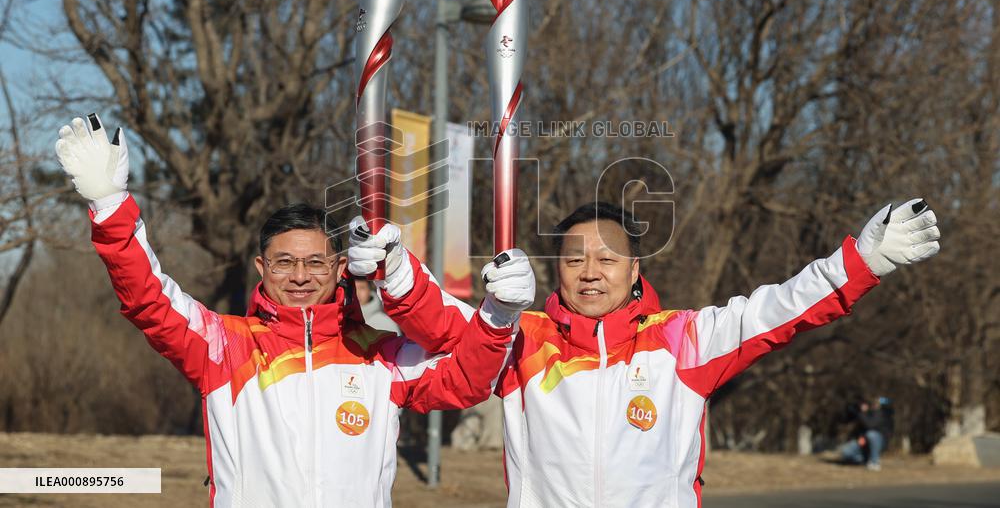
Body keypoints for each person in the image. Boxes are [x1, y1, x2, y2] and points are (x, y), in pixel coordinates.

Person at [54, 114, 532, 507]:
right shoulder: (225, 346)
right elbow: (149, 300)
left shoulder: (379, 356)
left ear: (339, 268)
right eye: (284, 263)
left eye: (315, 263)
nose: (300, 276)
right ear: (262, 268)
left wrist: (498, 315)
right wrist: (110, 205)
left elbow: (466, 380)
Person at [349, 199, 940, 507]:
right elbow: (447, 325)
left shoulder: (683, 340)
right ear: (557, 268)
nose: (590, 272)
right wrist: (396, 271)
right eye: (575, 259)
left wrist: (860, 262)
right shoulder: (522, 338)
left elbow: (779, 308)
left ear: (634, 271)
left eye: (607, 260)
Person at [840, 396, 895, 470]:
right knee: (846, 452)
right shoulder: (863, 414)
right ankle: (864, 460)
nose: (862, 406)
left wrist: (862, 413)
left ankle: (874, 462)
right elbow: (856, 428)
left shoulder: (880, 414)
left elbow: (870, 425)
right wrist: (860, 437)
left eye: (864, 404)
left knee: (871, 434)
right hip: (864, 441)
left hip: (879, 442)